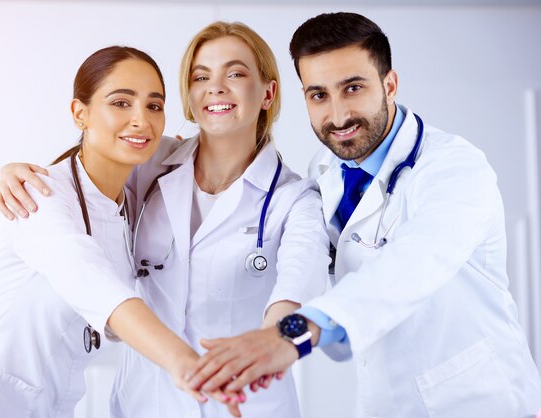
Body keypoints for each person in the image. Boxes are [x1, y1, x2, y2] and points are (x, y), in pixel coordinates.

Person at [184, 12, 541, 418]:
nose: (338, 116)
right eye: (318, 94)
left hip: (482, 403)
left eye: (352, 88)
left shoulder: (453, 168)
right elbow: (306, 262)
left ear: (390, 84)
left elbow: (413, 264)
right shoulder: (325, 171)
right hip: (388, 403)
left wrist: (293, 335)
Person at [0, 22, 330, 417]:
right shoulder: (148, 162)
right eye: (201, 77)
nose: (215, 87)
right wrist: (12, 174)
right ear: (190, 95)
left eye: (235, 73)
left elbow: (300, 286)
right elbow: (79, 178)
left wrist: (275, 340)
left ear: (268, 92)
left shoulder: (296, 199)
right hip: (144, 403)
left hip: (244, 404)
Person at [0, 45, 218, 417]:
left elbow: (210, 149)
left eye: (154, 106)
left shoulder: (127, 206)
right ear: (80, 114)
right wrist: (186, 364)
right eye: (121, 103)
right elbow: (92, 281)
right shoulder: (38, 196)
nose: (141, 119)